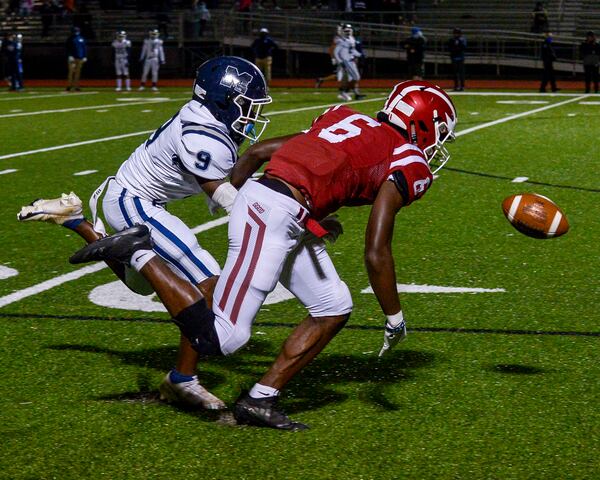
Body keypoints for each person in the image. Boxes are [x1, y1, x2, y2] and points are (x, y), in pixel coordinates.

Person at [67, 80, 457, 430]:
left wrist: (248, 203)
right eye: (440, 131)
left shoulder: (344, 117)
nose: (438, 143)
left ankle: (259, 399)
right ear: (425, 124)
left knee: (332, 305)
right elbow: (376, 249)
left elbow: (257, 153)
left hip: (279, 208)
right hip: (274, 213)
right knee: (224, 338)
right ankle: (137, 251)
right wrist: (394, 317)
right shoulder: (409, 161)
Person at [18, 56, 273, 412]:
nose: (251, 113)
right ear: (222, 99)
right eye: (246, 104)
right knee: (210, 283)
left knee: (140, 283)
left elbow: (227, 182)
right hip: (132, 201)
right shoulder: (202, 132)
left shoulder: (209, 120)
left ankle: (76, 220)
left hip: (135, 199)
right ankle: (182, 380)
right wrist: (278, 212)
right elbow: (223, 193)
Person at [333, 23, 365, 100]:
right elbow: (336, 52)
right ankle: (345, 91)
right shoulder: (341, 40)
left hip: (351, 60)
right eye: (346, 31)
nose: (348, 32)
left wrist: (359, 55)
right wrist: (340, 61)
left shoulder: (351, 39)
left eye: (349, 30)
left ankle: (349, 92)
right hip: (346, 61)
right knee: (355, 77)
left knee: (354, 78)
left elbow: (352, 50)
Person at [315, 23, 343, 89]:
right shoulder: (337, 38)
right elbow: (332, 48)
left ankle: (321, 80)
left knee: (338, 75)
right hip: (340, 58)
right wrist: (333, 58)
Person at [65, 26, 87, 92]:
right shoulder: (70, 39)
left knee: (78, 72)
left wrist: (84, 56)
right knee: (71, 72)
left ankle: (76, 86)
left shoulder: (81, 38)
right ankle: (69, 85)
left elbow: (84, 48)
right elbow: (67, 48)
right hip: (73, 57)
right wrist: (69, 55)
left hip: (80, 58)